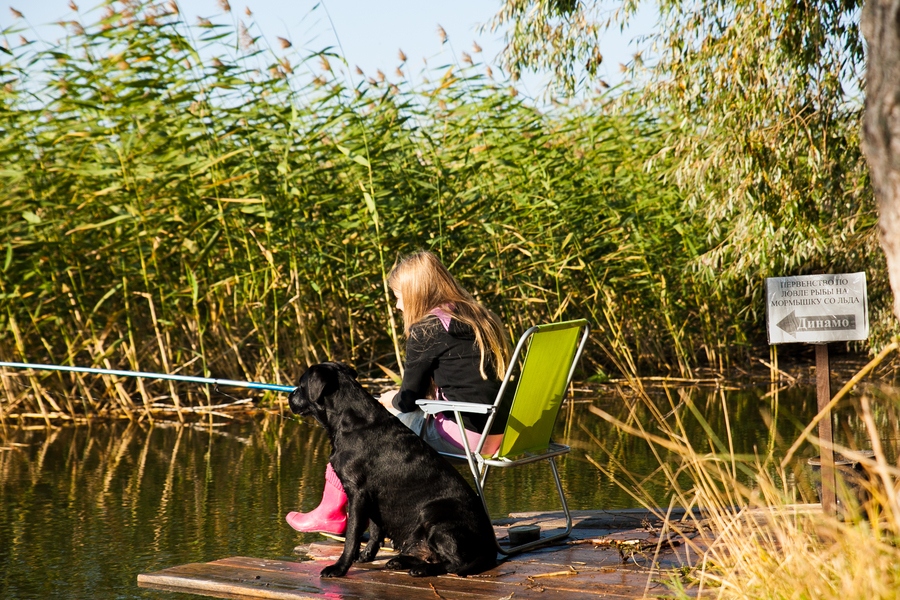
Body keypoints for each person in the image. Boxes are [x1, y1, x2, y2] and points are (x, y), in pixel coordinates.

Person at [286, 250, 512, 534]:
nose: (397, 305)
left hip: (470, 437)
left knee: (366, 431)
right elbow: (466, 383)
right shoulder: (476, 316)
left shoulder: (426, 329)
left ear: (416, 293)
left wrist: (389, 399)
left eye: (398, 295)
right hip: (505, 434)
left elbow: (407, 401)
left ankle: (331, 512)